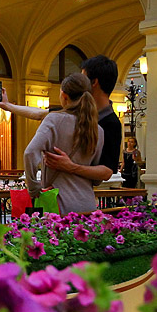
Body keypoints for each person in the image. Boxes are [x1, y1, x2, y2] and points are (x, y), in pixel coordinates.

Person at [0, 55, 121, 183]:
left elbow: (107, 171)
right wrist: (8, 106)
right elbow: (39, 113)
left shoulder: (110, 123)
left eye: (83, 77)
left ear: (94, 82)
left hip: (66, 194)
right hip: (84, 195)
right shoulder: (73, 111)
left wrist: (71, 167)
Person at [24, 73, 104, 215]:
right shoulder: (97, 130)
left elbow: (30, 153)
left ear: (64, 95)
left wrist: (34, 189)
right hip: (88, 205)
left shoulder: (54, 119)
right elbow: (96, 180)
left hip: (58, 205)